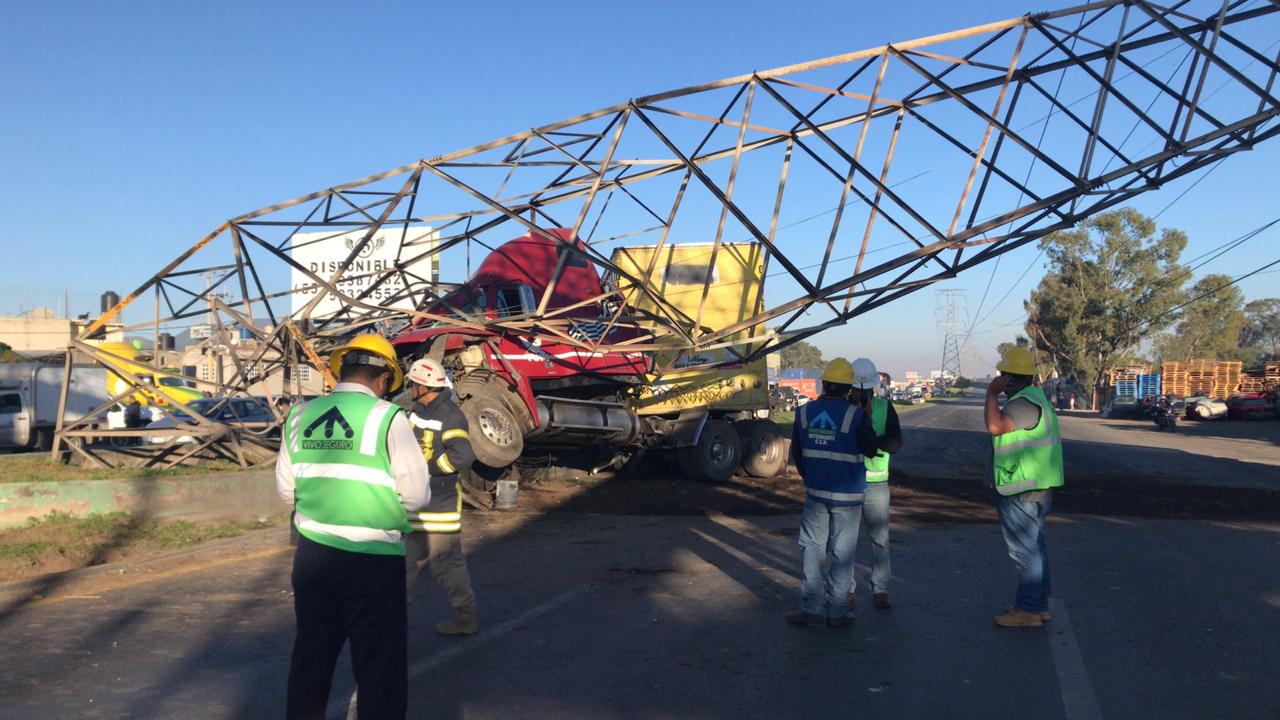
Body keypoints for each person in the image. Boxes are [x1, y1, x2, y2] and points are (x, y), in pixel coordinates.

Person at [276, 334, 430, 719]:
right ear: (383, 379)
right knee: (379, 668)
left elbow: (285, 490)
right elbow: (416, 496)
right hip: (372, 561)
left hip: (313, 558)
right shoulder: (387, 418)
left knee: (311, 657)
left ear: (341, 369)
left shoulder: (299, 414)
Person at [787, 358, 879, 628]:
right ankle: (837, 612)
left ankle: (811, 608)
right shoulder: (856, 415)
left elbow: (798, 454)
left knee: (812, 549)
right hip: (848, 496)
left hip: (816, 492)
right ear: (849, 389)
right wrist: (868, 416)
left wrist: (812, 478)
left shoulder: (804, 413)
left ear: (824, 384)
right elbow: (872, 449)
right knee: (842, 553)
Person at [984, 346, 1064, 629]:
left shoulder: (1021, 404)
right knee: (1036, 547)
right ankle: (1036, 605)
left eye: (1002, 376)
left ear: (1008, 378)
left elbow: (995, 427)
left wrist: (991, 394)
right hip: (1036, 485)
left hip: (1020, 488)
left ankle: (1028, 610)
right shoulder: (1036, 397)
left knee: (1024, 550)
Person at [402, 357, 480, 635]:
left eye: (412, 383)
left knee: (445, 566)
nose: (409, 387)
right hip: (414, 504)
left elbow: (463, 456)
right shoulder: (415, 411)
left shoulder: (449, 415)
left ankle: (465, 617)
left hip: (439, 507)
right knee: (404, 565)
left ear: (422, 387)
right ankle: (392, 619)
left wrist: (428, 470)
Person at [848, 358, 902, 610]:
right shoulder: (845, 410)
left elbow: (894, 443)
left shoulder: (884, 408)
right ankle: (845, 587)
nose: (861, 393)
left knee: (878, 539)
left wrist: (868, 438)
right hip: (849, 483)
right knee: (844, 540)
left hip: (875, 485)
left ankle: (879, 589)